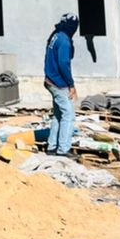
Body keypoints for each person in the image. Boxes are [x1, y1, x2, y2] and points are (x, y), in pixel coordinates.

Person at [43, 12, 80, 156]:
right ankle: (63, 149)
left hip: (50, 80)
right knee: (69, 116)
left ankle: (52, 146)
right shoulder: (64, 41)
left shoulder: (56, 36)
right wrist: (71, 84)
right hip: (58, 83)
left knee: (59, 115)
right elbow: (64, 63)